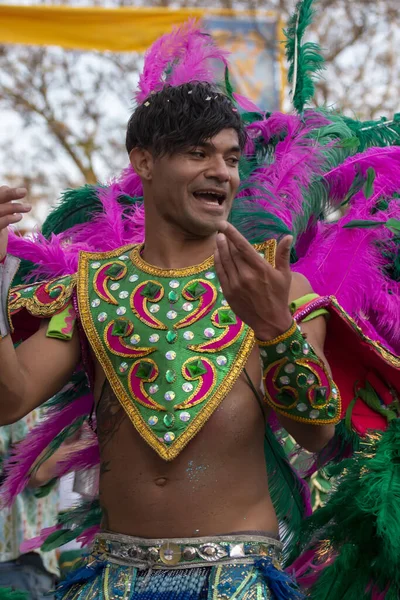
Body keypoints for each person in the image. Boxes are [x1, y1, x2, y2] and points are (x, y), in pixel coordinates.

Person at [0, 10, 399, 600]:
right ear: (144, 162)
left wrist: (273, 327)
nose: (221, 172)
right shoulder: (89, 289)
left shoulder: (276, 282)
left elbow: (316, 431)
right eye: (197, 154)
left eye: (232, 157)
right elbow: (10, 399)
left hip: (237, 580)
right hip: (112, 578)